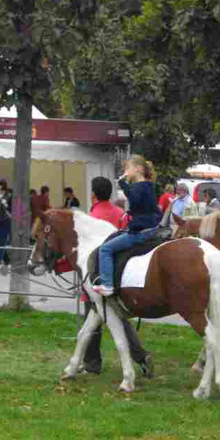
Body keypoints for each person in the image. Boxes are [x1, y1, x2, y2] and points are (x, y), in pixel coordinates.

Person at [81, 176, 151, 374]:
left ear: (93, 194)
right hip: (120, 273)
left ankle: (92, 364)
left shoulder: (92, 216)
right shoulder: (120, 213)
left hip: (97, 276)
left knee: (93, 319)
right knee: (120, 318)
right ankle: (141, 356)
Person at [92, 155, 160, 296]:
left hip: (141, 231)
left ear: (139, 169)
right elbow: (141, 207)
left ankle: (107, 284)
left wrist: (122, 183)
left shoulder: (139, 186)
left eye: (128, 168)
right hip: (151, 228)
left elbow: (134, 200)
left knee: (105, 249)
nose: (126, 171)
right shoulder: (149, 185)